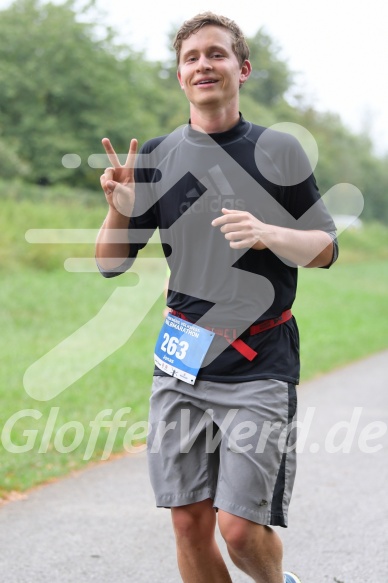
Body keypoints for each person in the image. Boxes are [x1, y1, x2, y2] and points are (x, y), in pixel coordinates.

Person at [95, 12, 337, 583]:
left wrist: (268, 233)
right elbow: (110, 263)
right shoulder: (157, 155)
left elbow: (324, 248)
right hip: (180, 358)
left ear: (242, 68)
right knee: (186, 521)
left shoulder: (279, 150)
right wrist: (118, 207)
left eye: (217, 53)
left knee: (239, 529)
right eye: (191, 57)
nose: (204, 64)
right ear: (180, 76)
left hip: (258, 360)